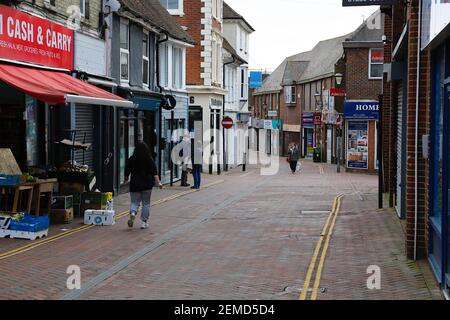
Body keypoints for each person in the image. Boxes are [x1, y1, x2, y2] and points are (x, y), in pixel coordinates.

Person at [124, 142, 163, 229]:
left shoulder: (132, 158)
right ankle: (144, 222)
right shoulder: (149, 159)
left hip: (135, 184)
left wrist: (126, 179)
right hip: (147, 184)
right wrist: (159, 182)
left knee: (134, 202)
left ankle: (133, 213)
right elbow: (154, 172)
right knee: (146, 203)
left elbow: (127, 171)